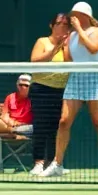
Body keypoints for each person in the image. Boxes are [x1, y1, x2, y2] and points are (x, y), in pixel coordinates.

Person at [43, 2, 98, 179]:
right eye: (72, 14)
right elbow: (69, 60)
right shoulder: (73, 36)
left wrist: (79, 31)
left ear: (85, 16)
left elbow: (93, 49)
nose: (72, 17)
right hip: (76, 78)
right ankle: (57, 164)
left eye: (76, 14)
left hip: (94, 78)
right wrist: (65, 44)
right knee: (64, 121)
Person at [28, 13, 71, 176]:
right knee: (40, 127)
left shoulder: (68, 45)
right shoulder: (42, 41)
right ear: (52, 26)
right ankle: (38, 162)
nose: (62, 27)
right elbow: (35, 62)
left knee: (57, 127)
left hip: (61, 90)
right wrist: (55, 48)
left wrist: (65, 46)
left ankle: (54, 163)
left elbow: (69, 64)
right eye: (59, 23)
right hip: (41, 89)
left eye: (66, 24)